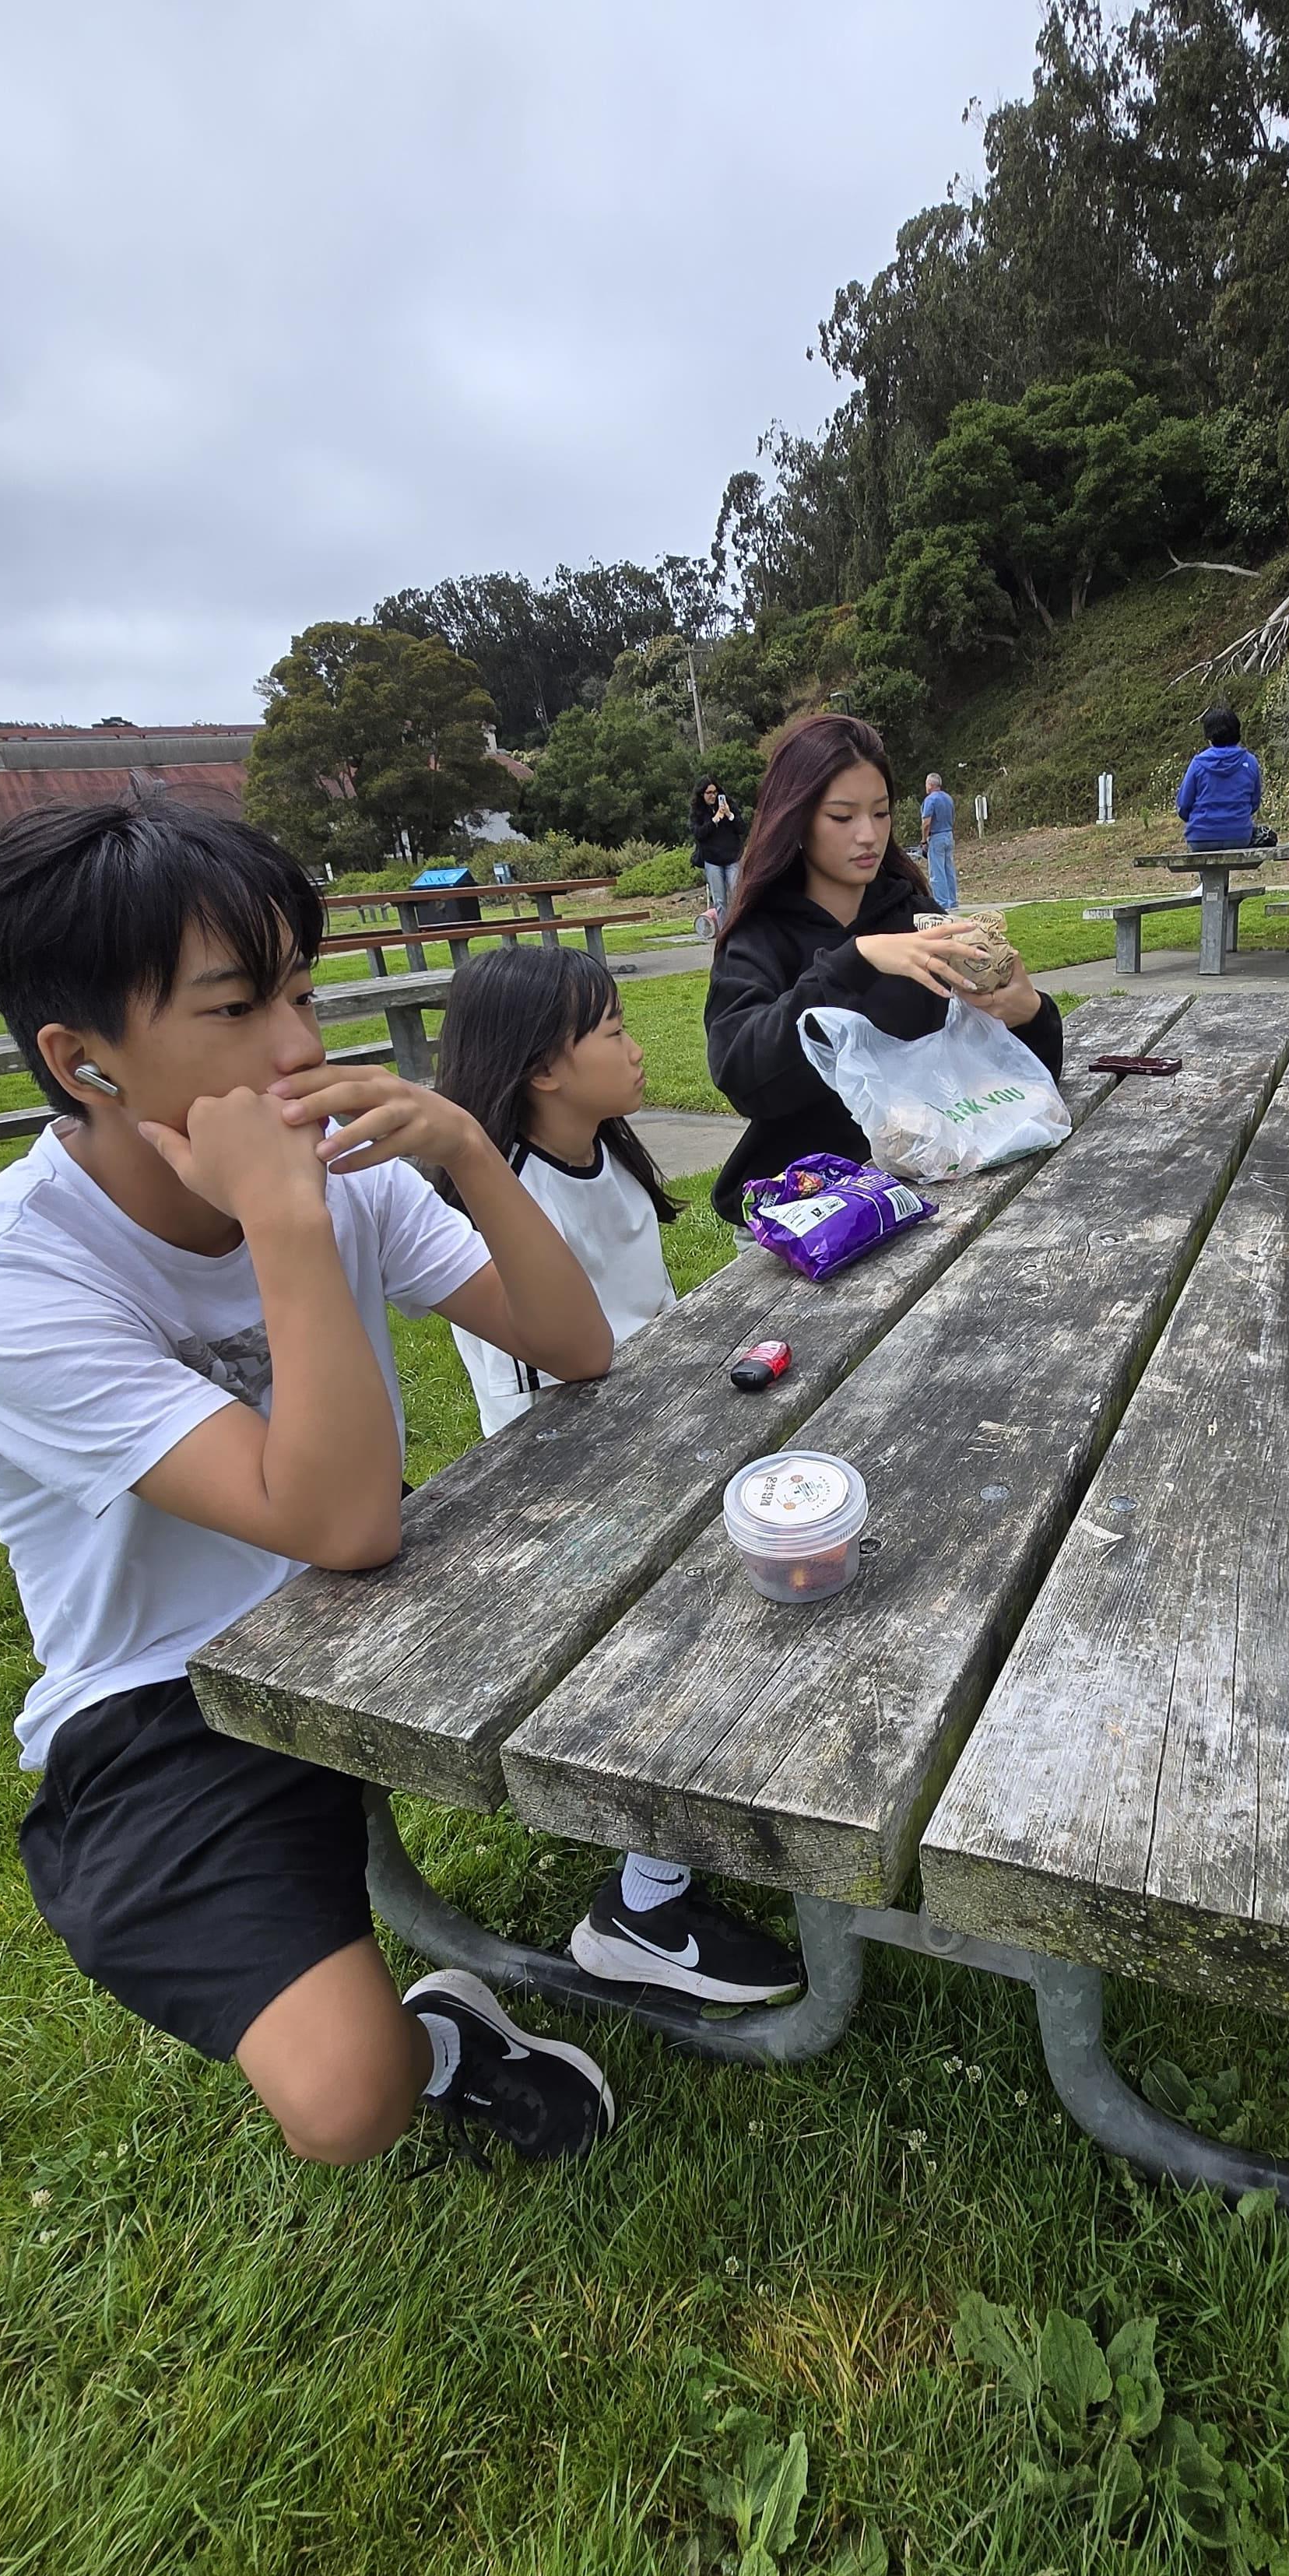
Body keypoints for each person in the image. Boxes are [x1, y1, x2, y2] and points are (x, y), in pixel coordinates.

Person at [0, 797, 623, 2175]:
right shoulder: (6, 1287)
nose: (299, 1046)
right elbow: (340, 1523)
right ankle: (439, 2033)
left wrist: (470, 1152)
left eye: (300, 991)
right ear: (85, 1062)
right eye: (236, 1009)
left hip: (384, 1597)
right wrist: (284, 1217)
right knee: (347, 2105)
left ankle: (660, 1902)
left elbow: (573, 1344)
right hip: (166, 1694)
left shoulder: (341, 1165)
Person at [430, 946, 805, 2008]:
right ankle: (642, 1902)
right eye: (612, 1033)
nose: (640, 1049)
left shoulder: (605, 1152)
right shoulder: (506, 1193)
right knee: (730, 1604)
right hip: (563, 1489)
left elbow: (643, 1318)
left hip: (658, 1426)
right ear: (545, 1068)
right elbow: (538, 1402)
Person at [703, 712, 1065, 1227]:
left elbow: (1015, 1078)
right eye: (842, 817)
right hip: (811, 1212)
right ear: (797, 819)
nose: (868, 836)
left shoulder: (913, 913)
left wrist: (1028, 1014)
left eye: (880, 813)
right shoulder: (760, 937)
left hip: (931, 1192)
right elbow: (743, 1077)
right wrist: (855, 962)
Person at [1177, 706, 1266, 851]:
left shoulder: (1198, 763)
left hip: (1201, 837)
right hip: (1239, 835)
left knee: (1204, 861)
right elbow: (1254, 803)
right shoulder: (1250, 761)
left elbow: (1183, 805)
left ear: (1209, 736)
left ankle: (1206, 875)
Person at [690, 775, 743, 925]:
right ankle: (724, 932)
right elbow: (698, 834)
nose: (713, 796)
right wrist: (715, 820)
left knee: (737, 894)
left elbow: (741, 828)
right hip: (712, 861)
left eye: (715, 792)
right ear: (702, 795)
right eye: (709, 793)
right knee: (720, 900)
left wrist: (729, 815)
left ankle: (739, 929)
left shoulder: (729, 805)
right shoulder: (699, 812)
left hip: (732, 858)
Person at [919, 770, 957, 911]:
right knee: (949, 869)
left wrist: (924, 840)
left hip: (936, 836)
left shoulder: (930, 800)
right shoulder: (948, 798)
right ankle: (953, 901)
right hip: (948, 833)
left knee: (937, 871)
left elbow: (927, 823)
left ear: (930, 785)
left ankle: (942, 904)